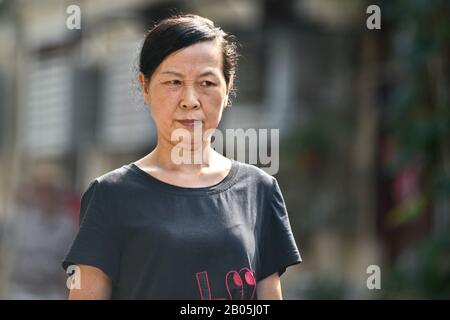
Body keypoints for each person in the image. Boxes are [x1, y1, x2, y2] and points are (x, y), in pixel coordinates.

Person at [62, 14, 301, 300]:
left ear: (228, 88)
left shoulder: (259, 190)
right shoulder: (110, 195)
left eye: (207, 83)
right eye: (174, 82)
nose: (190, 99)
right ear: (145, 86)